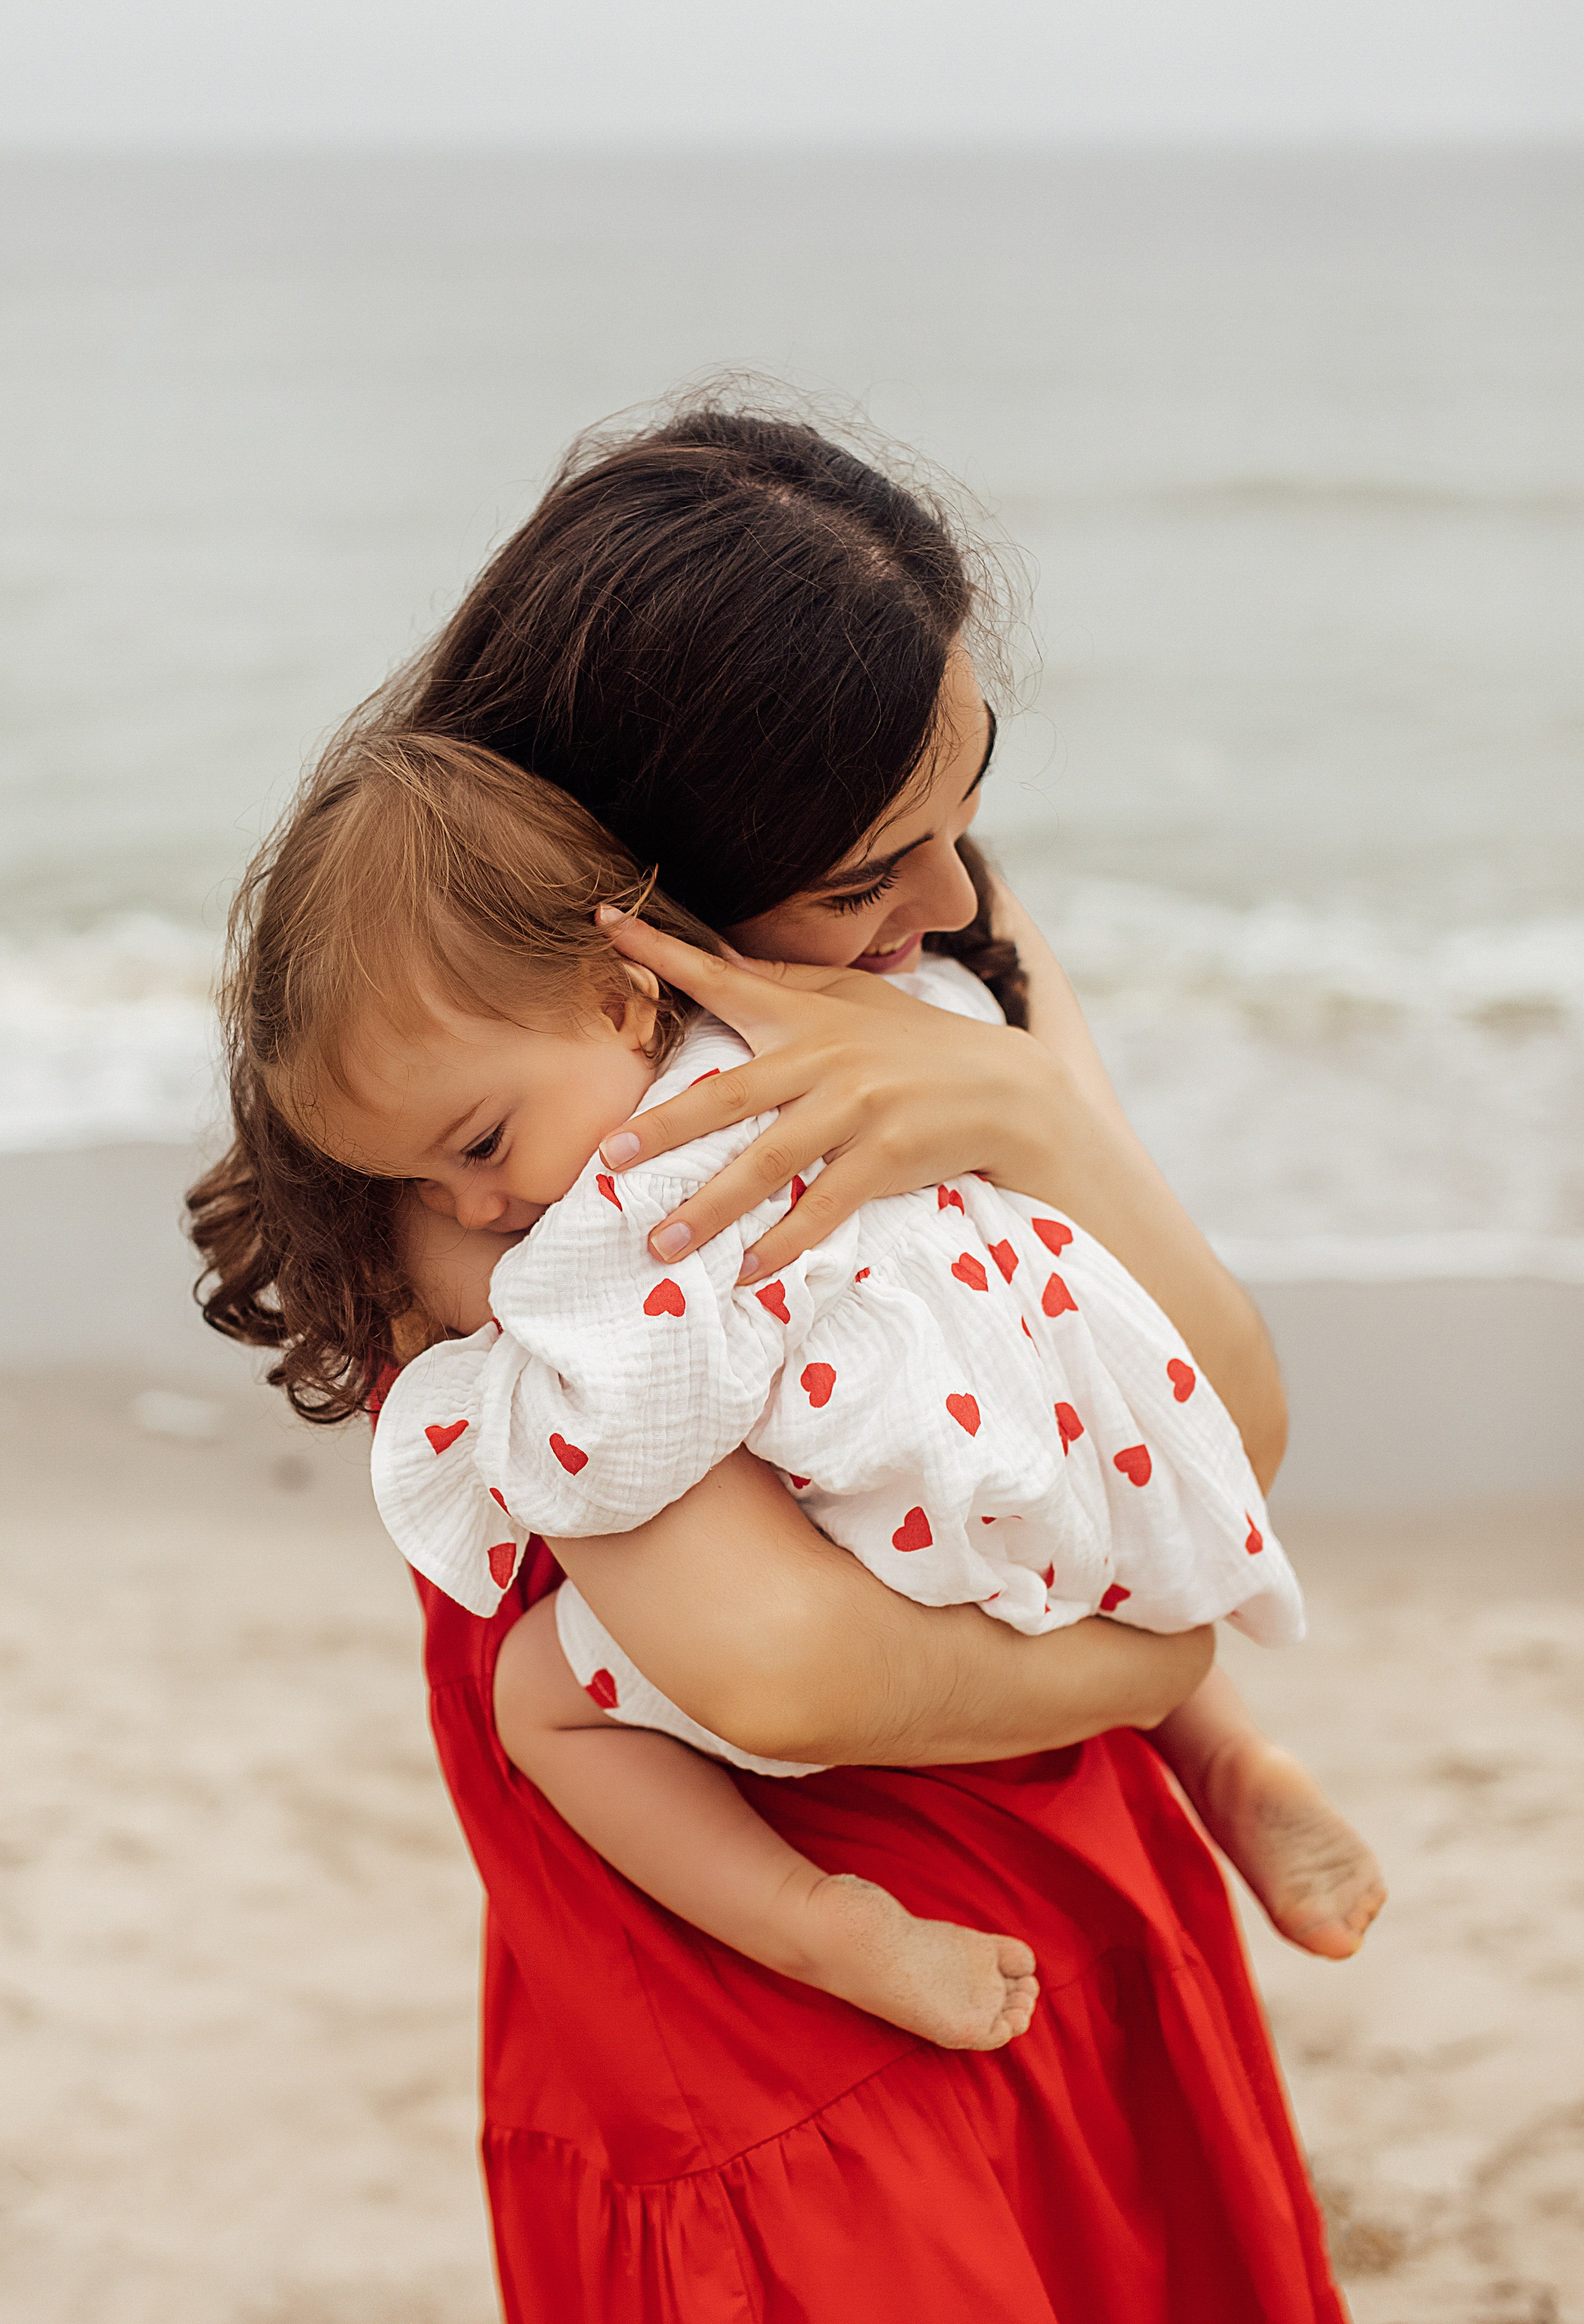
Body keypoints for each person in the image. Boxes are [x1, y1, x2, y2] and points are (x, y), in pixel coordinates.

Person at [191, 395, 1369, 2321]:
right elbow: (779, 1664)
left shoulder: (941, 985)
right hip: (777, 2014)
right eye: (866, 873)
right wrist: (1160, 1660)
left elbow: (1223, 1423)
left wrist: (1026, 1110)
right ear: (640, 925)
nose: (960, 906)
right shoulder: (483, 1169)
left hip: (1064, 1863)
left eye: (961, 814)